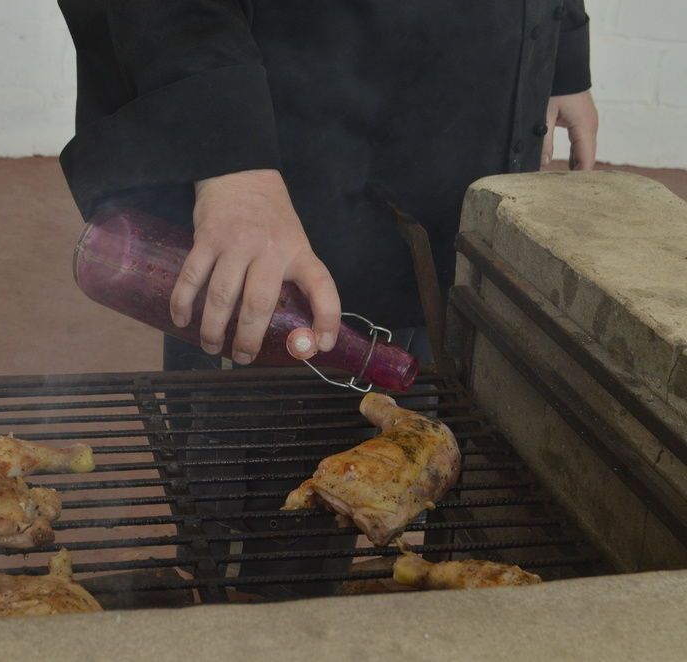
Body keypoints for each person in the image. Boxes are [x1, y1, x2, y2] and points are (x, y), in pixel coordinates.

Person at [56, 0, 598, 596]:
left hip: (463, 139)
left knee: (410, 405)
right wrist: (229, 157)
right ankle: (242, 592)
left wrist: (556, 47)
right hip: (286, 149)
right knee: (264, 521)